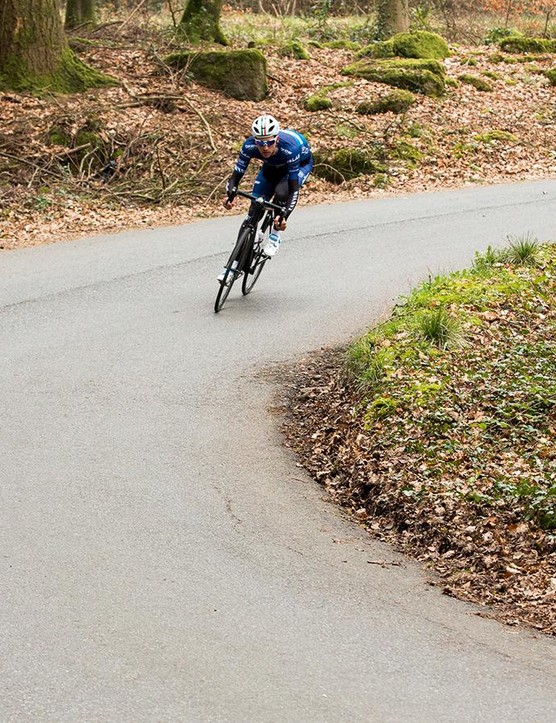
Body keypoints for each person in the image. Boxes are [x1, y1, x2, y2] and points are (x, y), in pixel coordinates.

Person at [219, 114, 313, 281]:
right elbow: (236, 176)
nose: (265, 147)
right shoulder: (249, 146)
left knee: (282, 192)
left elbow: (293, 189)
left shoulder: (290, 148)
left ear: (276, 139)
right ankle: (232, 267)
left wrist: (283, 216)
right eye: (260, 143)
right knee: (254, 207)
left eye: (269, 142)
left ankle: (275, 234)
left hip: (299, 166)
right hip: (272, 167)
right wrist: (230, 194)